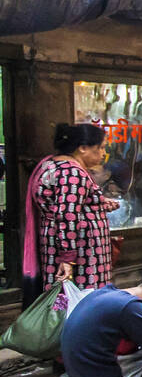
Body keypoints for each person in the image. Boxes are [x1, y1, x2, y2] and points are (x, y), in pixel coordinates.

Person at [23, 123, 118, 303]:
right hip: (82, 257)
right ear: (82, 148)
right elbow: (67, 216)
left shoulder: (54, 165)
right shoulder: (72, 172)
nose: (103, 153)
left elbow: (68, 204)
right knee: (79, 301)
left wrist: (100, 204)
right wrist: (68, 258)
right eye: (101, 148)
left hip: (64, 248)